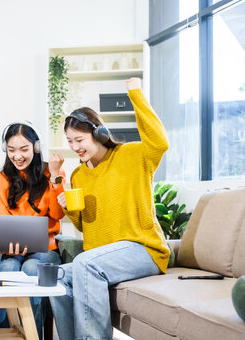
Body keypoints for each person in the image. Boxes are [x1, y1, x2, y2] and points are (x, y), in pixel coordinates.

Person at [49, 78, 171, 340]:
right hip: (103, 258)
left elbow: (160, 143)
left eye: (79, 139)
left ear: (98, 133)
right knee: (56, 276)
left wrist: (135, 94)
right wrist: (66, 198)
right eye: (70, 141)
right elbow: (83, 224)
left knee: (84, 264)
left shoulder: (132, 156)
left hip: (143, 249)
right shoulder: (79, 175)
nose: (74, 147)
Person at [0, 121, 65, 339]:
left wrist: (57, 176)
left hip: (44, 249)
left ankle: (33, 336)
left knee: (33, 268)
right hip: (9, 250)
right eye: (12, 150)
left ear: (36, 148)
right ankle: (3, 336)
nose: (18, 156)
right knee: (9, 268)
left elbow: (58, 214)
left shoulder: (52, 174)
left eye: (24, 149)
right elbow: (1, 223)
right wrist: (10, 244)